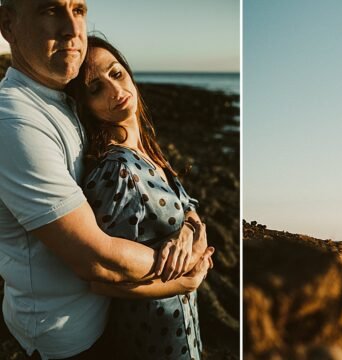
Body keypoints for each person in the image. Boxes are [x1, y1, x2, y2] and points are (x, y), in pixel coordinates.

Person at [0, 1, 209, 358]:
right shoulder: (15, 120)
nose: (71, 28)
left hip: (105, 323)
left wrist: (190, 229)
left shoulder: (64, 102)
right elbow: (95, 260)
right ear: (7, 25)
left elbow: (176, 198)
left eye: (78, 9)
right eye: (50, 9)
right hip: (65, 338)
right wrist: (188, 269)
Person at [65, 36, 213, 359]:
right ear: (85, 106)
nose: (115, 91)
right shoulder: (116, 171)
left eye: (116, 74)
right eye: (95, 89)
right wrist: (187, 282)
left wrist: (188, 232)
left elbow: (188, 206)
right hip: (151, 340)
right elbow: (103, 278)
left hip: (185, 331)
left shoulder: (149, 153)